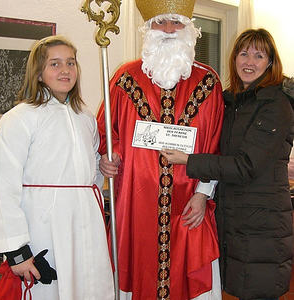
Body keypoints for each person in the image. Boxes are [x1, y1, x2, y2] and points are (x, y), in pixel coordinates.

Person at [97, 0, 225, 299]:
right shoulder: (124, 78)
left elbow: (216, 144)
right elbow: (104, 131)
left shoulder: (208, 82)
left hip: (188, 203)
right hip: (135, 202)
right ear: (149, 29)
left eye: (176, 22)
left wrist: (203, 195)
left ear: (189, 30)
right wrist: (108, 155)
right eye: (160, 23)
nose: (168, 29)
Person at [161, 28, 294, 300]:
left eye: (258, 56)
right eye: (243, 54)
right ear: (234, 58)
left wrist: (188, 160)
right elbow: (215, 146)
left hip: (262, 225)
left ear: (270, 62)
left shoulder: (276, 104)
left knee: (258, 291)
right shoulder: (232, 100)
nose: (249, 62)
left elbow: (245, 166)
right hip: (235, 219)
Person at [0, 35, 114, 300]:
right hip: (42, 226)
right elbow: (2, 186)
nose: (65, 70)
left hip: (84, 222)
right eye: (55, 64)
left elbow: (88, 169)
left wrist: (101, 165)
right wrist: (17, 251)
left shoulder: (86, 117)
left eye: (71, 63)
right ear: (38, 73)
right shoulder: (19, 118)